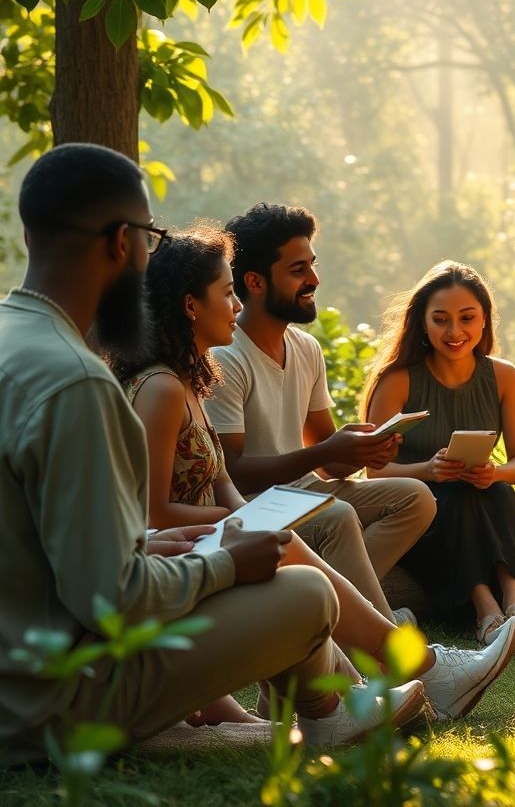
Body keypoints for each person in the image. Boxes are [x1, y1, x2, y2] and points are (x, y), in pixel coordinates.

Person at [0, 144, 432, 760]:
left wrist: (147, 545)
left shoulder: (13, 341)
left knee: (282, 552)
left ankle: (335, 701)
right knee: (306, 593)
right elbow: (112, 601)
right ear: (123, 242)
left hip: (21, 671)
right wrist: (226, 564)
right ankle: (327, 715)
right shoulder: (78, 381)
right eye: (149, 236)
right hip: (50, 705)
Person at [109, 221, 515, 725]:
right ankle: (405, 666)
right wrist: (253, 522)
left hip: (220, 526)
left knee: (302, 530)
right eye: (226, 294)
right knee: (295, 538)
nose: (236, 306)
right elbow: (151, 511)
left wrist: (274, 509)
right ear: (191, 305)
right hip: (170, 546)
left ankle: (372, 682)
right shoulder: (161, 389)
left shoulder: (192, 383)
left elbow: (228, 487)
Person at [205, 203, 436, 624]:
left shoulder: (306, 349)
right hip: (257, 503)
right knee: (338, 515)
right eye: (297, 270)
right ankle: (379, 630)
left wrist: (364, 451)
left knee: (416, 498)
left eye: (312, 265)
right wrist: (324, 453)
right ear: (254, 282)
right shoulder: (227, 356)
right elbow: (232, 473)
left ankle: (349, 611)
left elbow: (328, 461)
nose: (314, 279)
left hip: (304, 491)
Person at [361, 261, 515, 647]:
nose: (455, 331)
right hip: (421, 520)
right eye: (441, 319)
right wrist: (428, 470)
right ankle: (487, 613)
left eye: (467, 318)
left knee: (495, 489)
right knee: (452, 495)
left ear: (484, 321)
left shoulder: (503, 376)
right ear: (422, 323)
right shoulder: (398, 380)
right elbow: (373, 474)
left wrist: (494, 473)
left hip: (485, 504)